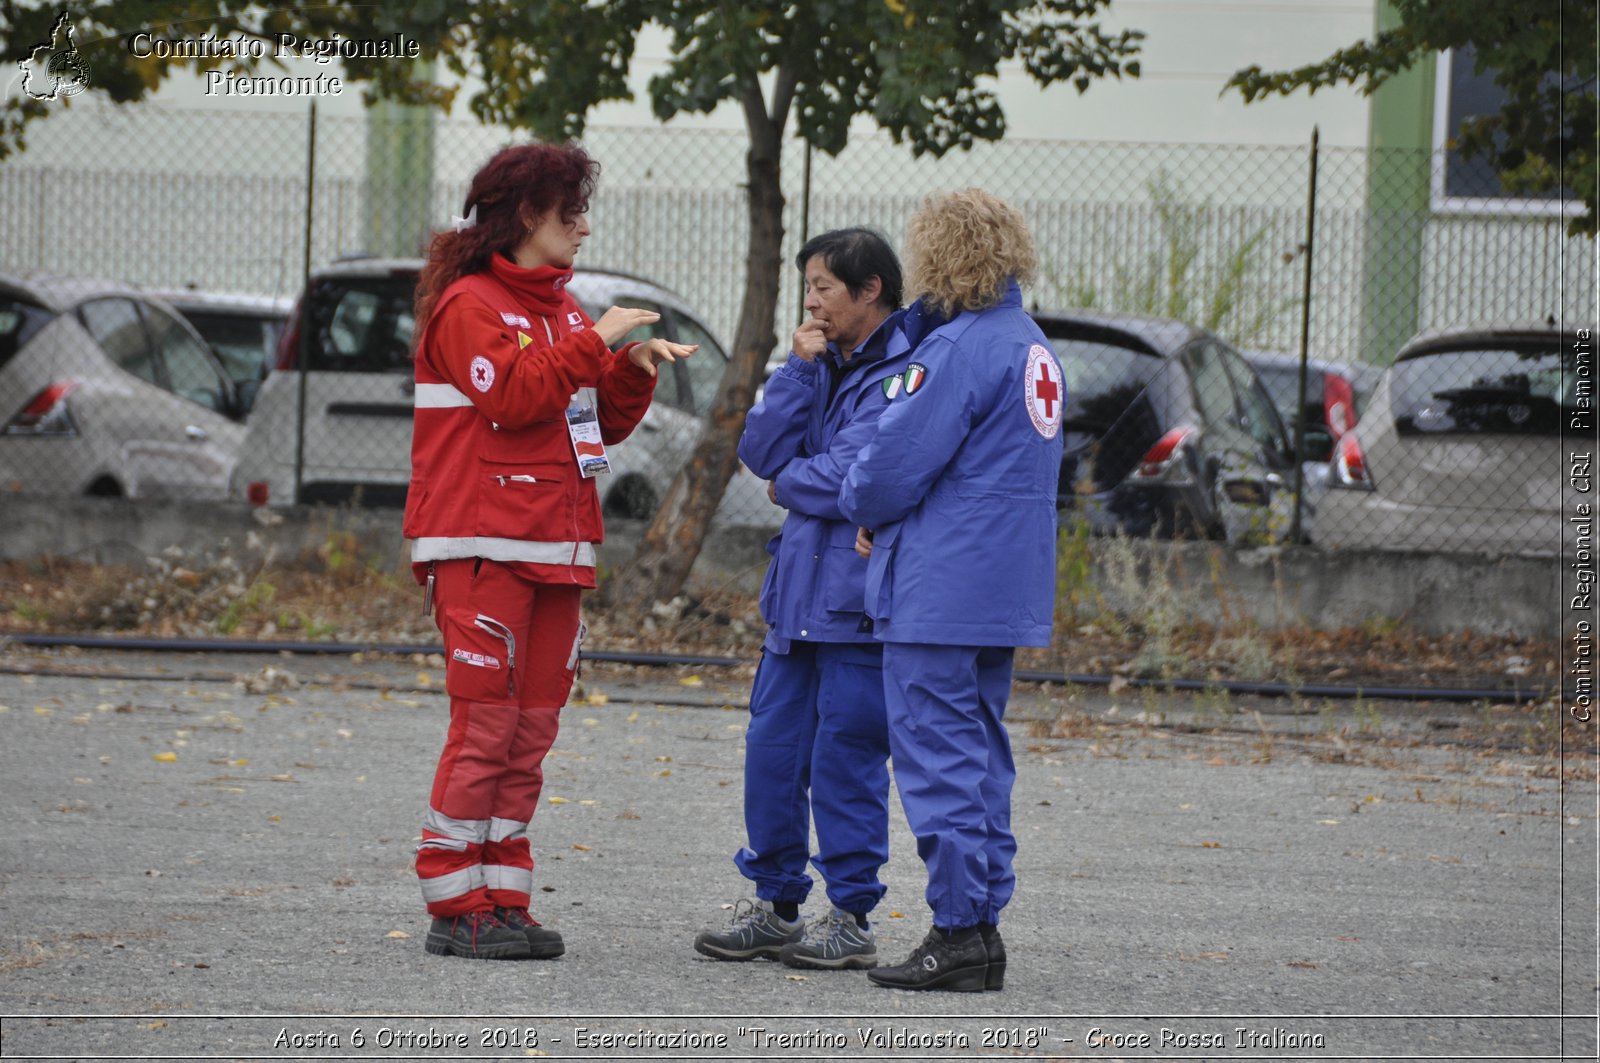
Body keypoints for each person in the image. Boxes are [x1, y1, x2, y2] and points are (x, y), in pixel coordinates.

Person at [403, 143, 696, 960]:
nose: (584, 225)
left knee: (529, 733)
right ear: (528, 213)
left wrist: (630, 370)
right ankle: (454, 903)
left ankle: (502, 897)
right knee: (485, 728)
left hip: (557, 548)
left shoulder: (564, 313)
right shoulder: (469, 305)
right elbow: (516, 396)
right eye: (571, 212)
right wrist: (595, 339)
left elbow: (591, 428)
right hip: (483, 546)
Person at [839, 189, 1064, 992]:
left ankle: (960, 926)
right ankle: (981, 924)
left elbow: (893, 462)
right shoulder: (1032, 343)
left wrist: (864, 508)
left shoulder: (959, 348)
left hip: (941, 584)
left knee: (937, 754)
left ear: (941, 255)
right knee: (981, 752)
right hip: (1003, 585)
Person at [693, 229, 909, 971]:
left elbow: (857, 477)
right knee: (773, 752)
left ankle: (849, 914)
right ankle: (775, 905)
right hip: (795, 601)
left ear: (870, 288)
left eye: (823, 285)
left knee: (846, 759)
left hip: (855, 609)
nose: (811, 299)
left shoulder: (905, 371)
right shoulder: (819, 363)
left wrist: (789, 484)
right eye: (808, 285)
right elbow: (758, 449)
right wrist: (795, 369)